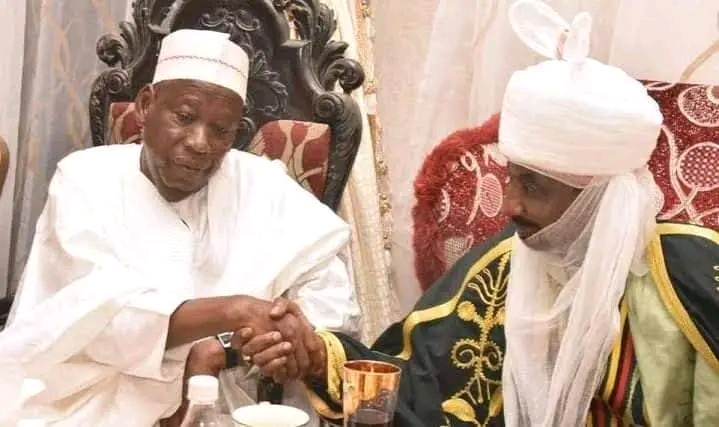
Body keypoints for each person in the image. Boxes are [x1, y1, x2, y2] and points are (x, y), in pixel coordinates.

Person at [237, 1, 719, 426]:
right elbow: (421, 384)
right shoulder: (510, 261)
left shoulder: (692, 277)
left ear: (597, 195)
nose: (509, 204)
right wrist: (318, 355)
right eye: (512, 178)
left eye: (533, 186)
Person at [0, 29, 360, 426]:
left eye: (221, 130)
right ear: (146, 105)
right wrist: (237, 310)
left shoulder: (262, 184)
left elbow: (330, 299)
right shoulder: (85, 178)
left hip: (229, 400)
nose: (200, 142)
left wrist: (234, 346)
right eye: (185, 118)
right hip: (90, 397)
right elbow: (100, 321)